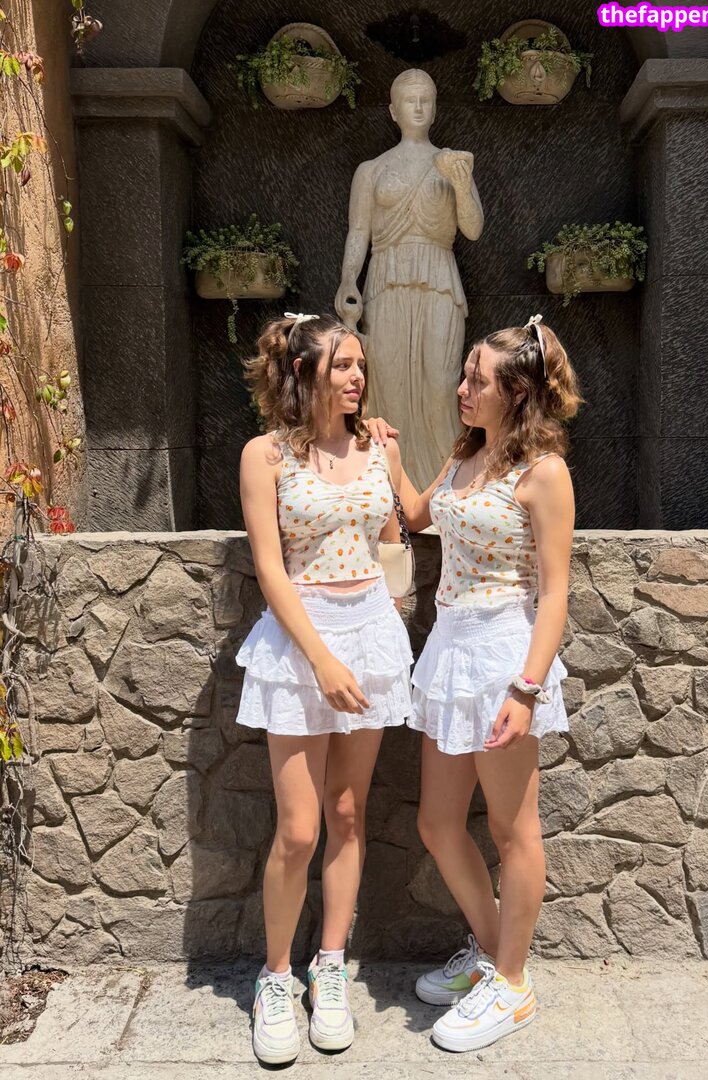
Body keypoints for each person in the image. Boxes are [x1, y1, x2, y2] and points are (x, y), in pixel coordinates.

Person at [374, 314, 581, 1052]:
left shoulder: (543, 473)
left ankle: (513, 986)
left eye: (476, 379)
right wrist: (390, 455)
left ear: (516, 392)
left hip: (502, 657)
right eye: (464, 374)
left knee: (511, 830)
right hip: (450, 650)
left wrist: (526, 690)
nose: (461, 387)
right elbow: (418, 515)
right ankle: (494, 953)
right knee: (437, 823)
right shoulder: (467, 453)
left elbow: (554, 593)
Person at [236, 312, 413, 1064]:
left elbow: (397, 534)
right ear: (303, 372)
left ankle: (329, 966)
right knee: (299, 829)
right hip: (300, 644)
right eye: (343, 364)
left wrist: (392, 605)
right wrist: (321, 660)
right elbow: (269, 568)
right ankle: (275, 978)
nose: (357, 377)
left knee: (347, 812)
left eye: (360, 365)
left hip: (369, 631)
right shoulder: (265, 455)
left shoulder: (379, 445)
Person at [335, 67, 484, 491]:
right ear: (393, 111)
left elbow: (473, 229)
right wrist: (348, 280)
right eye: (409, 101)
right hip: (386, 279)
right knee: (388, 383)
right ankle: (388, 489)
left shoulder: (452, 164)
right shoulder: (372, 170)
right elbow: (359, 231)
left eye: (425, 101)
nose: (417, 108)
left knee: (441, 386)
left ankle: (446, 488)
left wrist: (460, 184)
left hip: (439, 279)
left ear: (434, 110)